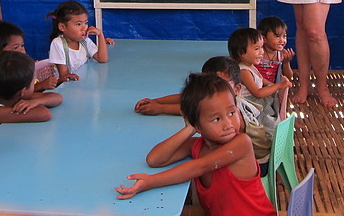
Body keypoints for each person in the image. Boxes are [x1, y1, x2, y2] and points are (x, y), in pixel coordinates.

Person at [116, 73, 276, 216]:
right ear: (198, 125)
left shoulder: (241, 143)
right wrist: (190, 129)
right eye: (216, 119)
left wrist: (151, 181)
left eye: (232, 113)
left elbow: (200, 166)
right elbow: (155, 159)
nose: (228, 124)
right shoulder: (197, 145)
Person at [0, 51, 63, 134]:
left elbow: (57, 97)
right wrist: (36, 101)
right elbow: (44, 114)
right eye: (33, 83)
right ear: (23, 91)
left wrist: (36, 101)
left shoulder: (14, 97)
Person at [0, 20, 58, 98]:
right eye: (15, 48)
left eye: (22, 45)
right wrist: (40, 86)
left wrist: (59, 81)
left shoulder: (22, 69)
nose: (22, 51)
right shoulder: (0, 78)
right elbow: (11, 99)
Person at [47, 1, 110, 83]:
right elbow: (64, 76)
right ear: (62, 27)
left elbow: (102, 59)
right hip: (66, 87)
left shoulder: (85, 41)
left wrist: (100, 35)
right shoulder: (57, 44)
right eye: (79, 24)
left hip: (82, 83)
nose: (84, 28)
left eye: (86, 23)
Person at [255, 16, 294, 82]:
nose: (282, 40)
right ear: (264, 38)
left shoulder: (281, 54)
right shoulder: (258, 52)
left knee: (286, 83)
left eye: (284, 36)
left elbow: (288, 77)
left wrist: (286, 62)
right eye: (277, 36)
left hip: (273, 89)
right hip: (256, 88)